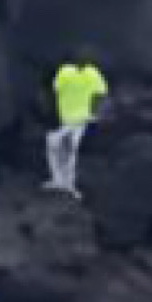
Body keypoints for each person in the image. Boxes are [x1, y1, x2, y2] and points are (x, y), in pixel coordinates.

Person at [45, 53, 109, 198]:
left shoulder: (67, 71)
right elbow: (102, 93)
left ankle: (63, 182)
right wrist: (97, 113)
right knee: (70, 147)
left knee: (55, 142)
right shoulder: (91, 73)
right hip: (81, 117)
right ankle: (65, 182)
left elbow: (55, 90)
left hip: (74, 117)